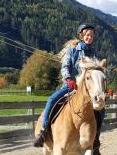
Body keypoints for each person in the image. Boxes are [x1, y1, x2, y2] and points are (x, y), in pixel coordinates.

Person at [33, 23, 105, 155]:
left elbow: (95, 71)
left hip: (87, 88)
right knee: (51, 100)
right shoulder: (72, 50)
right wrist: (68, 79)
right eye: (87, 35)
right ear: (82, 36)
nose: (90, 37)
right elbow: (65, 67)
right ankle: (43, 132)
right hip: (71, 85)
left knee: (101, 111)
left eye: (92, 35)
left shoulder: (93, 52)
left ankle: (95, 140)